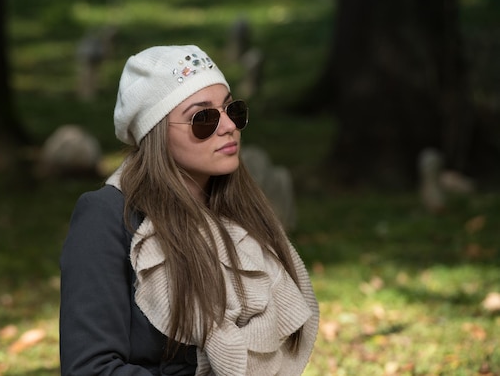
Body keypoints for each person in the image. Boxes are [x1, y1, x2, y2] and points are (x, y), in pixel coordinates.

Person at [59, 45, 319, 376]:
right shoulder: (107, 218)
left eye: (232, 110)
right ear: (156, 133)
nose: (228, 126)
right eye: (204, 118)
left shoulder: (239, 211)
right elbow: (90, 369)